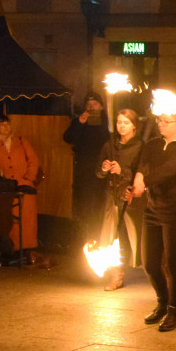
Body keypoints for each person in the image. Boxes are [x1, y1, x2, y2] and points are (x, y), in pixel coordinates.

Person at [133, 100, 176, 333]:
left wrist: (145, 181)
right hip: (152, 211)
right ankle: (161, 302)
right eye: (158, 120)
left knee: (172, 264)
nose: (160, 124)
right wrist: (138, 176)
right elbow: (142, 163)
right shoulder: (152, 144)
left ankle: (173, 311)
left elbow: (166, 171)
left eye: (166, 121)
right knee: (149, 264)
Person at [95, 108, 144, 290]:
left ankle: (157, 274)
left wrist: (121, 171)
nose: (121, 126)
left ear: (134, 126)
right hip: (112, 197)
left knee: (134, 237)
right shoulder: (110, 145)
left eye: (126, 122)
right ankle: (117, 275)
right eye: (119, 122)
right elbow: (98, 173)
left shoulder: (140, 146)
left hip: (131, 198)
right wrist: (105, 168)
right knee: (111, 236)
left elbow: (142, 173)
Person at [63, 91, 111, 243]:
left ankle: (101, 236)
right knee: (85, 205)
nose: (91, 108)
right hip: (84, 170)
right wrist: (79, 123)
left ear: (101, 106)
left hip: (104, 169)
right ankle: (86, 238)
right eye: (88, 105)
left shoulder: (108, 122)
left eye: (95, 104)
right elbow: (68, 138)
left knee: (101, 205)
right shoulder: (80, 121)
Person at [0, 114, 39, 260]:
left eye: (8, 124)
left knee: (27, 218)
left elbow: (33, 159)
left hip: (23, 184)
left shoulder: (20, 140)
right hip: (5, 187)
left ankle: (27, 249)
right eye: (2, 124)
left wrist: (29, 178)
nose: (6, 127)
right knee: (8, 217)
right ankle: (10, 250)